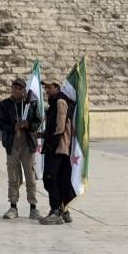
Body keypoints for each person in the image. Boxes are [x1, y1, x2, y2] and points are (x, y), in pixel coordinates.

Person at [0, 78, 41, 220]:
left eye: (20, 88)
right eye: (14, 88)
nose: (16, 90)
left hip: (27, 145)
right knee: (13, 176)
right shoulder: (5, 104)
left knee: (30, 177)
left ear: (24, 90)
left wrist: (28, 125)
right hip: (12, 145)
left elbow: (38, 121)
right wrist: (12, 127)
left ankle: (33, 207)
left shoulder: (31, 104)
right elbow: (1, 123)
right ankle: (13, 206)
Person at [41, 84, 79, 225]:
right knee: (60, 179)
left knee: (50, 178)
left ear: (57, 87)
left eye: (49, 87)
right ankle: (64, 210)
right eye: (45, 88)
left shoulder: (60, 101)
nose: (46, 90)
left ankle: (55, 211)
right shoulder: (55, 102)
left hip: (58, 147)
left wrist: (51, 144)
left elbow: (60, 127)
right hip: (60, 147)